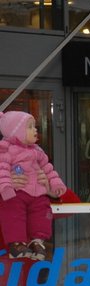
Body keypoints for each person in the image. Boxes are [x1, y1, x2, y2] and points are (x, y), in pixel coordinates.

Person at [0, 110, 66, 260]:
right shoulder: (5, 151)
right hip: (6, 266)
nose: (35, 130)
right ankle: (17, 243)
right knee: (13, 208)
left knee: (41, 209)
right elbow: (2, 171)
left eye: (34, 126)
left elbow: (50, 170)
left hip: (29, 272)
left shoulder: (37, 152)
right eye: (29, 127)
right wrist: (6, 187)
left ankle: (37, 242)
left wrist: (52, 189)